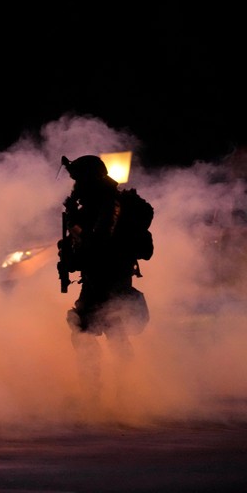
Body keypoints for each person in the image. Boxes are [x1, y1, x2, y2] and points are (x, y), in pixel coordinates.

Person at [57, 155, 152, 407]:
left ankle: (112, 396)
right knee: (93, 333)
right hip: (99, 278)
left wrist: (75, 228)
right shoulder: (96, 203)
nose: (75, 184)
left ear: (90, 177)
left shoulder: (110, 203)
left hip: (110, 279)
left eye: (78, 178)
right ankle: (104, 395)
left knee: (102, 332)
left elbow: (97, 243)